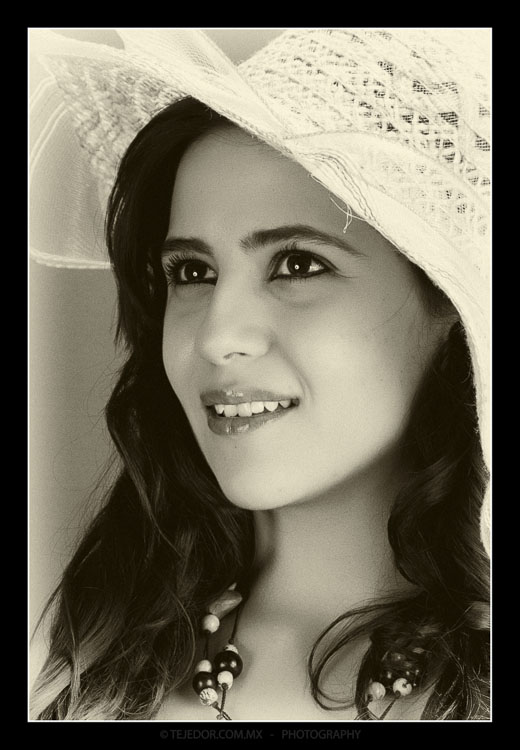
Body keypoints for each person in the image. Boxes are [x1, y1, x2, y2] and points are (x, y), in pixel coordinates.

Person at [29, 28, 490, 721]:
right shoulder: (84, 665)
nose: (218, 337)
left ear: (452, 301)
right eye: (192, 272)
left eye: (297, 264)